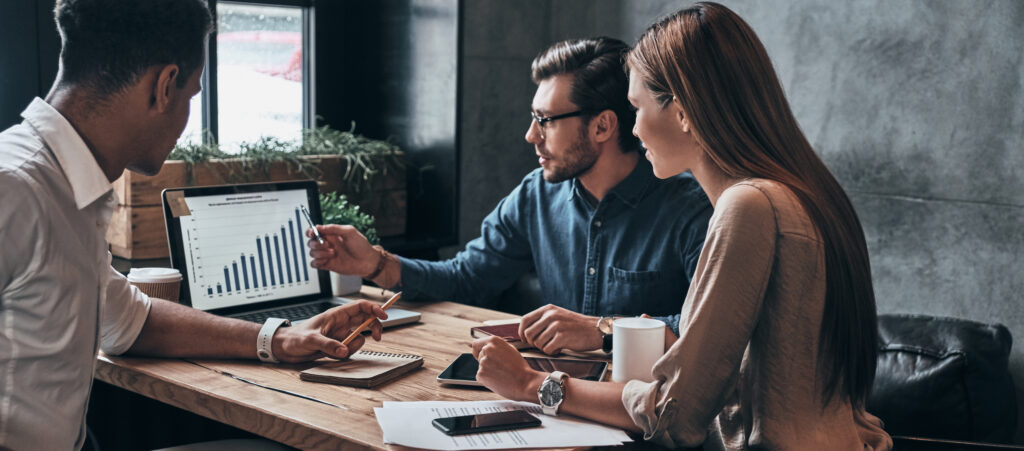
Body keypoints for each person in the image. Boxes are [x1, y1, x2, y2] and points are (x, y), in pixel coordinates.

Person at [471, 3, 893, 450]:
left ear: (683, 110)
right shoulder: (801, 191)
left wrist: (531, 384)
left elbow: (675, 415)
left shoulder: (748, 206)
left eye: (636, 108)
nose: (632, 130)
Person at [0, 1, 387, 449]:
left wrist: (281, 339)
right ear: (164, 86)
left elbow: (130, 321)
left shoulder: (67, 187)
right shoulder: (15, 190)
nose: (186, 121)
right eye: (191, 96)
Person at [308, 37, 712, 355]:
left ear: (603, 127)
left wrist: (602, 329)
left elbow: (707, 332)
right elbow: (467, 278)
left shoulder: (690, 209)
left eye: (545, 121)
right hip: (552, 400)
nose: (531, 135)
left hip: (646, 416)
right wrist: (375, 263)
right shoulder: (535, 195)